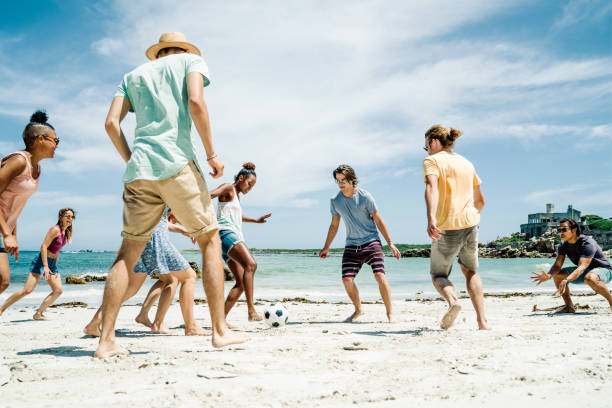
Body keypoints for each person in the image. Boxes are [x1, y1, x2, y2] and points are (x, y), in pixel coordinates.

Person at [96, 31, 248, 358]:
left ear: (158, 54)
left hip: (140, 171)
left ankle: (105, 341)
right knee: (209, 239)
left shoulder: (131, 76)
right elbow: (196, 101)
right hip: (176, 163)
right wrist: (211, 154)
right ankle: (219, 331)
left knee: (126, 254)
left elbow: (111, 124)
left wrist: (133, 160)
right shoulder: (192, 61)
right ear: (182, 50)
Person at [84, 208, 209, 336]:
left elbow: (147, 219)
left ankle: (95, 323)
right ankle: (190, 326)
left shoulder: (146, 191)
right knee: (189, 277)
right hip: (156, 241)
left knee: (133, 288)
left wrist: (126, 242)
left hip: (141, 241)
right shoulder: (163, 190)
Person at [422, 125, 490, 330]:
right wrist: (471, 217)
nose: (426, 151)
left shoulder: (432, 161)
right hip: (471, 224)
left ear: (434, 142)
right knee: (471, 272)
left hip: (447, 226)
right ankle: (482, 322)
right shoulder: (466, 163)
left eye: (426, 146)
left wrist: (431, 218)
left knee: (438, 275)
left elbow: (431, 187)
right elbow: (481, 201)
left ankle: (453, 302)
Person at [319, 164, 401, 323]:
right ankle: (358, 310)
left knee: (379, 275)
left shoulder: (365, 196)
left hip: (371, 242)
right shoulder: (335, 201)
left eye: (343, 180)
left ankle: (390, 314)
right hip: (351, 245)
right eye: (337, 181)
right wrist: (326, 247)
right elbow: (334, 225)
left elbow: (378, 219)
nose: (340, 184)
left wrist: (390, 243)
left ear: (351, 180)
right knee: (347, 279)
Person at [0, 111, 59, 296]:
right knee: (3, 280)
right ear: (40, 139)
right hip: (2, 229)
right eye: (55, 140)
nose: (57, 145)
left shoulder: (36, 168)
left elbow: (11, 203)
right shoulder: (18, 161)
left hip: (3, 228)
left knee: (3, 282)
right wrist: (7, 234)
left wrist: (13, 235)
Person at [209, 162, 271, 322]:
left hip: (229, 238)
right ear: (241, 178)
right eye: (249, 184)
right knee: (251, 265)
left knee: (241, 282)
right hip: (226, 234)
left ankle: (220, 321)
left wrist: (255, 220)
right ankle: (251, 311)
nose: (250, 188)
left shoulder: (236, 196)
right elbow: (209, 195)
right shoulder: (228, 187)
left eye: (252, 186)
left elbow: (237, 216)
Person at [0, 208, 74, 319]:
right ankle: (1, 309)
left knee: (58, 290)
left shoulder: (66, 232)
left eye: (72, 217)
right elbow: (43, 246)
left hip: (52, 264)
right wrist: (45, 266)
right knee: (27, 290)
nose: (70, 219)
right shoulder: (55, 229)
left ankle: (38, 313)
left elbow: (57, 250)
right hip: (41, 262)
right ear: (61, 217)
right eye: (67, 216)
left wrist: (53, 266)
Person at [531, 218, 612, 312]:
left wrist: (567, 279)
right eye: (559, 230)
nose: (561, 232)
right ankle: (569, 307)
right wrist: (549, 275)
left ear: (574, 230)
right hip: (584, 271)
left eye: (564, 229)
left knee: (590, 277)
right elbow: (558, 265)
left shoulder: (587, 243)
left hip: (604, 270)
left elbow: (582, 266)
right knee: (557, 275)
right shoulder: (563, 245)